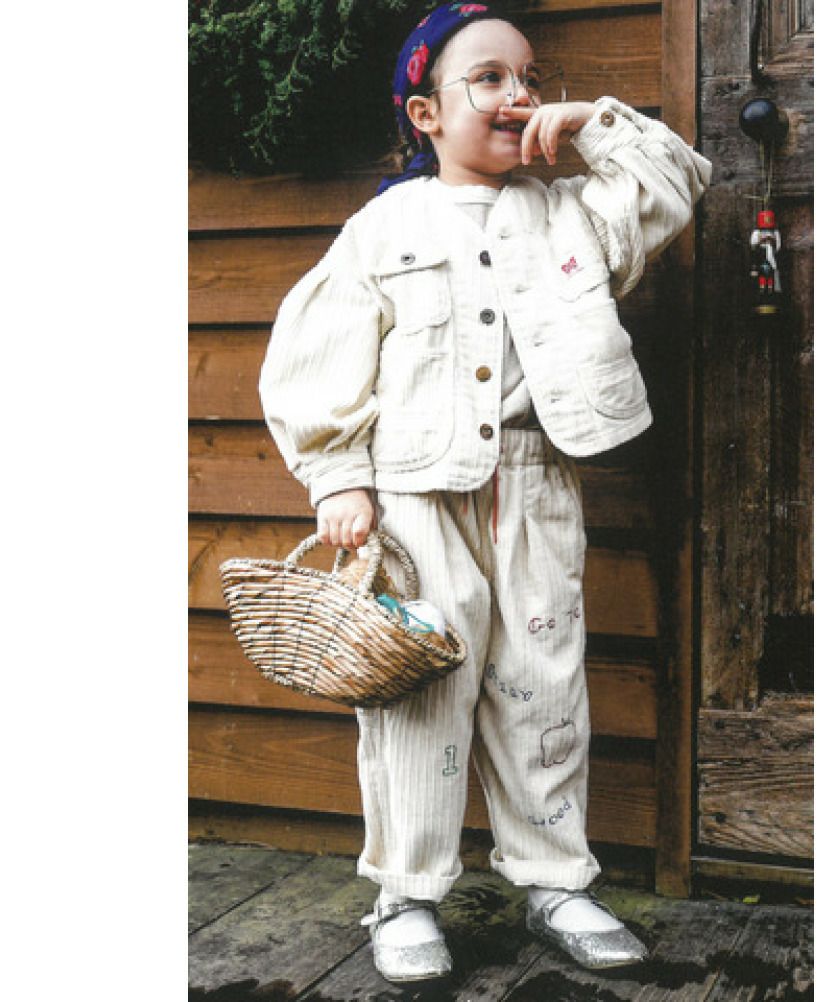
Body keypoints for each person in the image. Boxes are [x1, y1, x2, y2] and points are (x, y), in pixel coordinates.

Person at [260, 2, 712, 984]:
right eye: (491, 79)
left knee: (543, 684)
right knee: (418, 695)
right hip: (416, 495)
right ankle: (406, 894)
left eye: (532, 78)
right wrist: (339, 478)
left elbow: (674, 184)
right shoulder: (383, 229)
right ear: (425, 112)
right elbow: (318, 358)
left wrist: (592, 122)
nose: (519, 96)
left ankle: (554, 880)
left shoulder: (571, 215)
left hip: (536, 484)